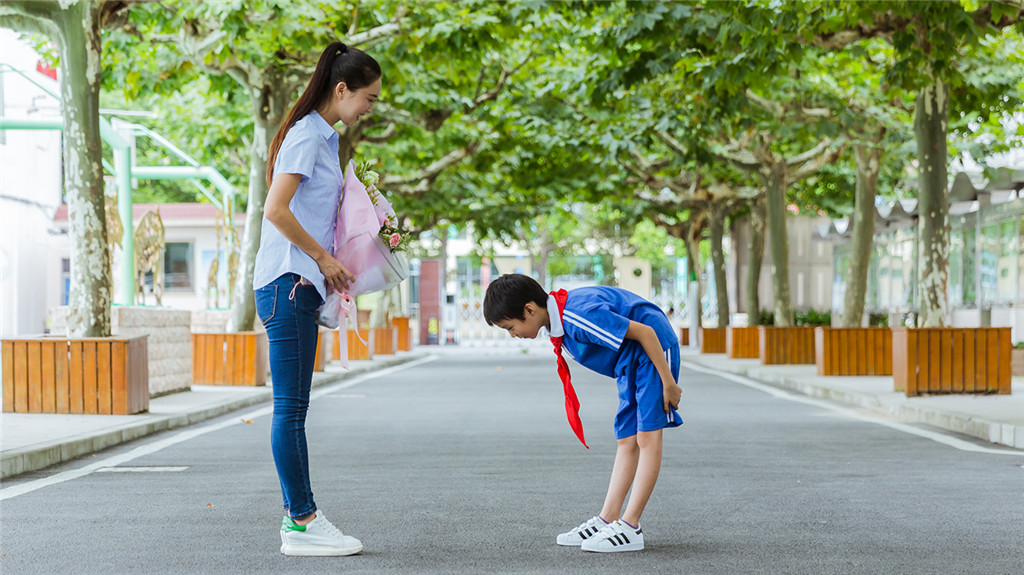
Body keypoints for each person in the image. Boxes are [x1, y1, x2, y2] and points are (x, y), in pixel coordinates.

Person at [252, 41, 381, 557]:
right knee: (290, 410)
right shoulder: (307, 136)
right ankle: (301, 521)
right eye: (367, 98)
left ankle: (299, 520)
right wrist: (324, 260)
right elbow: (276, 210)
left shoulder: (323, 140)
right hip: (288, 282)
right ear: (341, 89)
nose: (370, 108)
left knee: (294, 409)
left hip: (297, 286)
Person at [483, 274, 683, 553]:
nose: (513, 334)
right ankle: (609, 518)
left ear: (529, 309)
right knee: (626, 439)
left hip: (653, 352)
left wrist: (669, 383)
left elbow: (646, 332)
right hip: (630, 360)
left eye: (510, 327)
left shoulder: (577, 316)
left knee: (647, 437)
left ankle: (631, 525)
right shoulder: (560, 319)